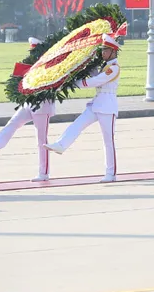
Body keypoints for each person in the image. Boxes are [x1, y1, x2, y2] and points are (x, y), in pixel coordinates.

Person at [0, 37, 57, 182]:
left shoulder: (49, 66)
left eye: (34, 50)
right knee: (13, 122)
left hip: (42, 106)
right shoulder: (30, 65)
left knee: (41, 140)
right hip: (29, 103)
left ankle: (44, 173)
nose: (31, 53)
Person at [45, 34, 123, 183]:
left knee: (108, 141)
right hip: (97, 104)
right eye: (102, 50)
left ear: (113, 51)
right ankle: (61, 145)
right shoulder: (105, 66)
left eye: (105, 50)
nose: (103, 53)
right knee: (78, 123)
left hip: (107, 106)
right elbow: (94, 75)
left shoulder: (113, 68)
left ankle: (111, 173)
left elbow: (96, 81)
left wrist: (75, 83)